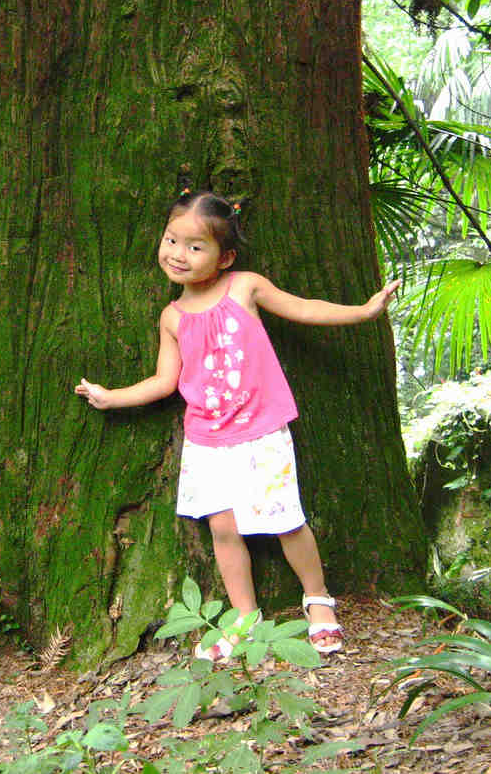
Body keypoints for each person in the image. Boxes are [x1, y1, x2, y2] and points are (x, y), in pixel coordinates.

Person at [75, 190, 400, 659]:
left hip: (262, 429)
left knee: (286, 520)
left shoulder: (244, 287)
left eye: (194, 246)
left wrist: (364, 312)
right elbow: (165, 381)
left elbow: (304, 308)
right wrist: (111, 398)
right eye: (171, 240)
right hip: (207, 439)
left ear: (224, 257)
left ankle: (317, 598)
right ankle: (245, 617)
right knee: (223, 530)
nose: (178, 254)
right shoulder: (172, 317)